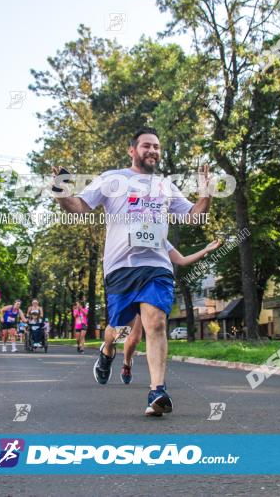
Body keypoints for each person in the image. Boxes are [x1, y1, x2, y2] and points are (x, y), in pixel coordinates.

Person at [53, 126, 211, 416]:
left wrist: (206, 191)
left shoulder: (165, 186)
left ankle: (157, 391)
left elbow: (194, 216)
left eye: (157, 147)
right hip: (120, 267)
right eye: (147, 146)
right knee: (120, 328)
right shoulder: (113, 179)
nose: (153, 151)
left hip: (156, 265)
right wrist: (61, 191)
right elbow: (78, 208)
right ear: (132, 150)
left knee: (156, 324)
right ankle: (107, 350)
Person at [120, 239, 221, 384]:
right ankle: (125, 362)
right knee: (133, 338)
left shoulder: (158, 237)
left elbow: (182, 260)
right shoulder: (126, 233)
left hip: (152, 288)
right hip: (132, 286)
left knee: (155, 329)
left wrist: (205, 249)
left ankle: (157, 382)